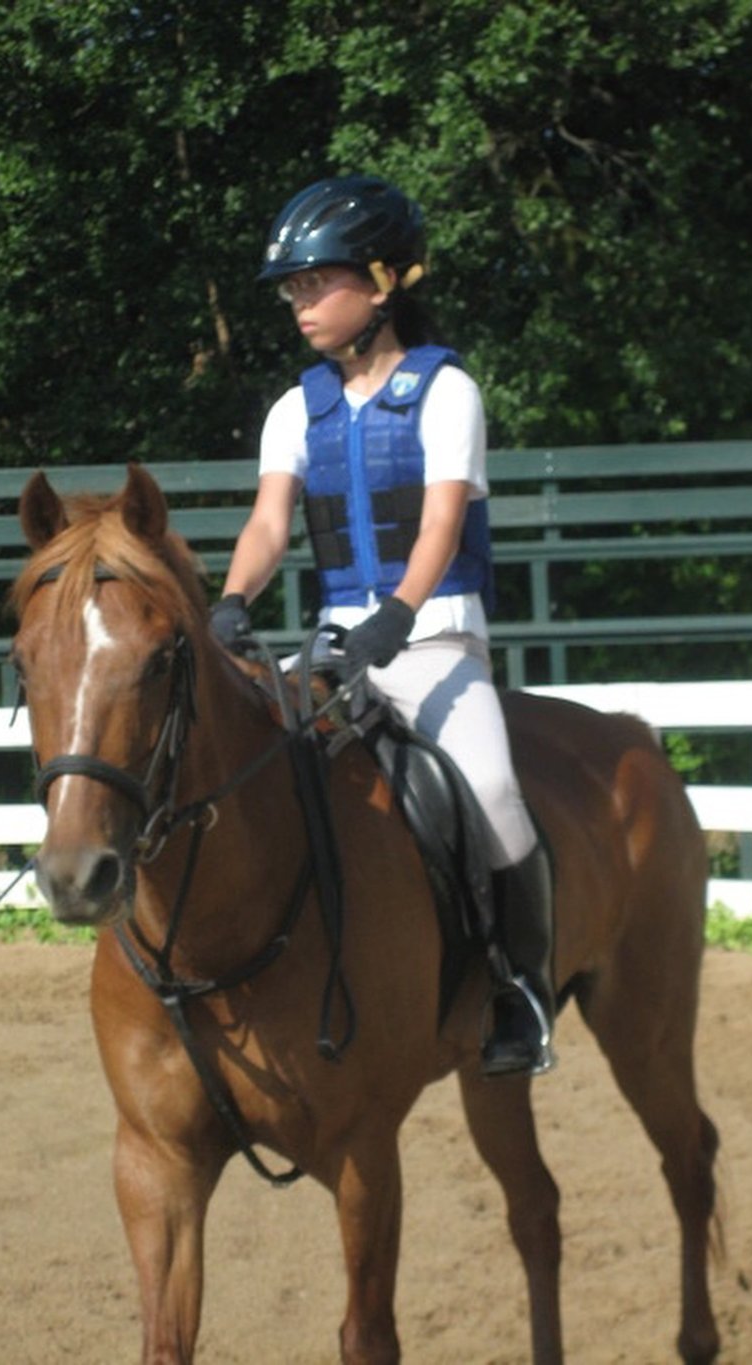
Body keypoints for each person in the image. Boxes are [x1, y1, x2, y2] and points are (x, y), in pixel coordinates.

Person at [210, 174, 555, 1077]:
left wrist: (399, 615)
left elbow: (441, 524)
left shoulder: (447, 393)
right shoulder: (296, 410)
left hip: (434, 635)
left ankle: (521, 986)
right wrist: (232, 600)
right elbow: (269, 525)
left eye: (315, 283)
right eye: (292, 289)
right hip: (335, 640)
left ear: (383, 281)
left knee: (493, 794)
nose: (300, 304)